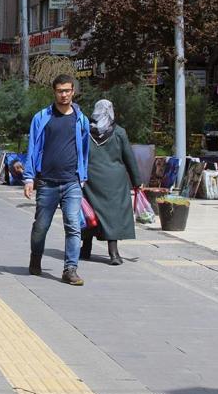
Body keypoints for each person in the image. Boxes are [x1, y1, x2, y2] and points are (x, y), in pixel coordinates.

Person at [23, 74, 90, 286]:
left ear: (73, 91)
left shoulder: (81, 119)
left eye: (67, 90)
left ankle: (70, 269)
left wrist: (83, 175)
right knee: (41, 226)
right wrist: (28, 178)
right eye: (60, 91)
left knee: (73, 225)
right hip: (47, 182)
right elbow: (32, 148)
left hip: (72, 181)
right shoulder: (42, 117)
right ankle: (36, 257)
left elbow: (85, 149)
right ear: (54, 92)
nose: (64, 95)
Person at [81, 99, 141, 265]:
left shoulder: (85, 130)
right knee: (112, 215)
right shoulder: (119, 132)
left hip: (91, 179)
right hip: (115, 181)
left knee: (90, 214)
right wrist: (137, 181)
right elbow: (129, 158)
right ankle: (114, 254)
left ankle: (85, 249)